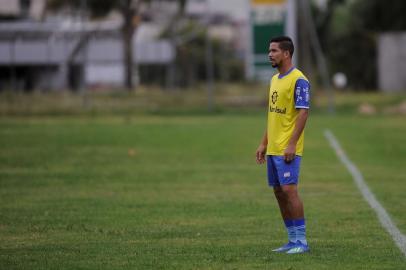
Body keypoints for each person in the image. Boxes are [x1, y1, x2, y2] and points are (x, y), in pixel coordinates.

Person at [255, 36, 310, 254]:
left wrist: (292, 144)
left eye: (274, 51)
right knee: (279, 192)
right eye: (269, 50)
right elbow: (273, 116)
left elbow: (303, 113)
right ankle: (291, 240)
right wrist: (263, 143)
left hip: (288, 149)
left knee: (290, 191)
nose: (270, 54)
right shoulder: (274, 79)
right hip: (273, 148)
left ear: (286, 54)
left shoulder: (299, 80)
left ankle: (302, 242)